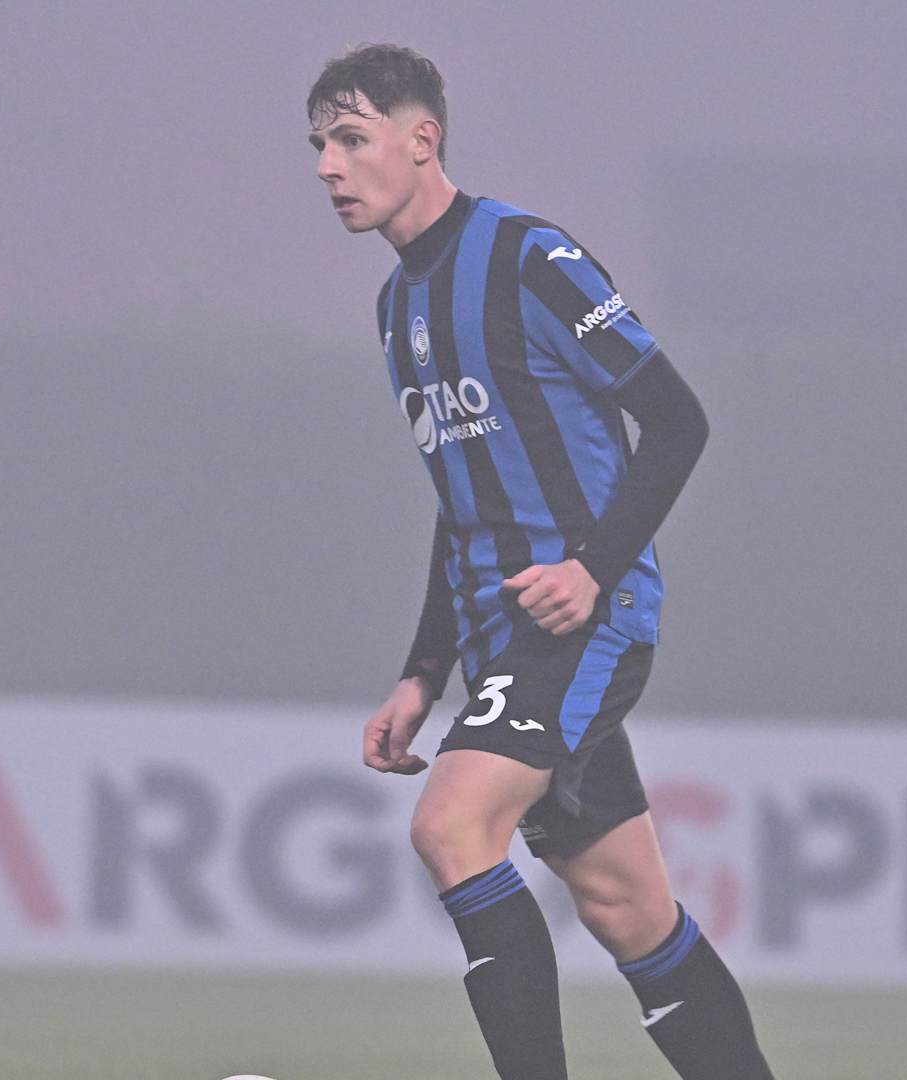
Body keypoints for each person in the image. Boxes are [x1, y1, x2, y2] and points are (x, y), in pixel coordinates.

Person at [308, 43, 776, 1080]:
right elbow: (465, 505)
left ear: (422, 139)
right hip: (500, 643)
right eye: (319, 147)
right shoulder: (397, 308)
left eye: (350, 138)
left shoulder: (527, 258)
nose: (329, 166)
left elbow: (677, 419)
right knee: (627, 907)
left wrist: (592, 570)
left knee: (450, 826)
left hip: (582, 622)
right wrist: (423, 672)